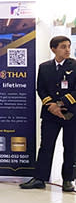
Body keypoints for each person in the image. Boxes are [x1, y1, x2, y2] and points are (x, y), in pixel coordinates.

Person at [20, 36, 76, 191]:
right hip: (50, 114)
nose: (67, 50)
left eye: (68, 46)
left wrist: (60, 104)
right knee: (46, 146)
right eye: (63, 46)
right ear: (53, 49)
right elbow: (41, 88)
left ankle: (68, 180)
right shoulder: (44, 67)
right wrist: (51, 105)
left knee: (70, 147)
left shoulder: (75, 65)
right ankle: (40, 178)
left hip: (71, 114)